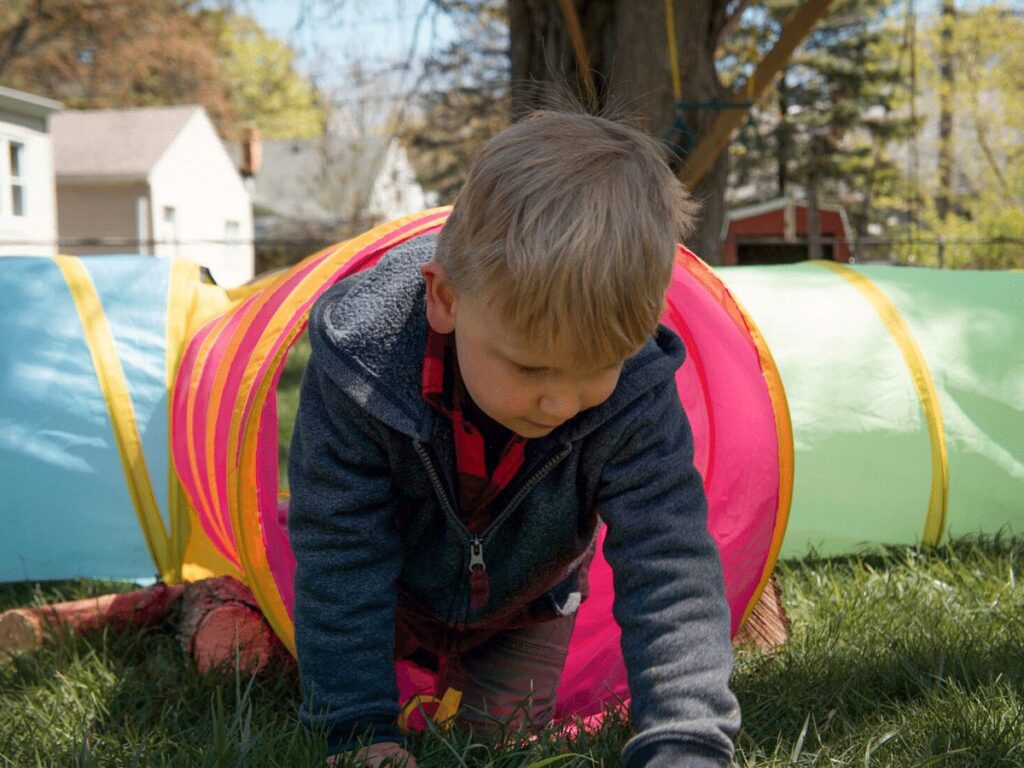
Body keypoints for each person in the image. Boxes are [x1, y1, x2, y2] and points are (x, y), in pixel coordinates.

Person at [287, 108, 741, 768]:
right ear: (445, 300)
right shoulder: (365, 365)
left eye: (597, 369)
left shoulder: (638, 391)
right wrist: (356, 725)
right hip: (390, 593)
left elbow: (670, 566)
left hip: (528, 605)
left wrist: (685, 738)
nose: (559, 401)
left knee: (489, 747)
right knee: (294, 652)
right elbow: (341, 551)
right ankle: (228, 605)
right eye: (529, 368)